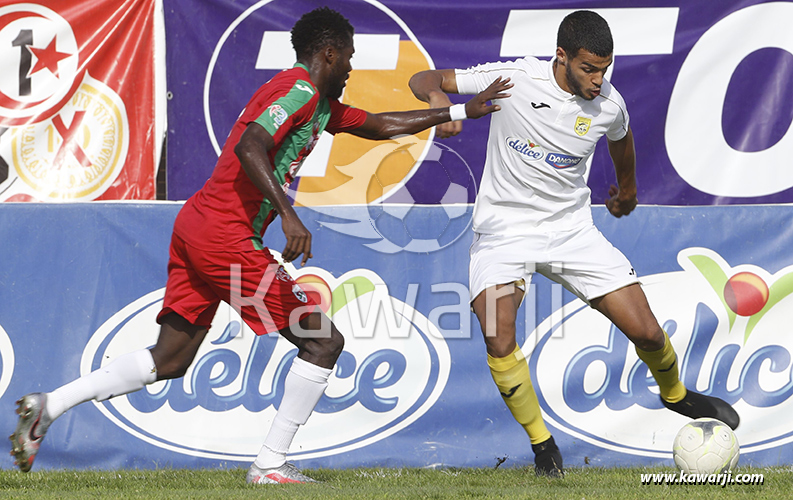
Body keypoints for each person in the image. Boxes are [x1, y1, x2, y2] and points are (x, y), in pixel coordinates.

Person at [9, 7, 510, 483]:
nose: (354, 67)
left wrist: (466, 108)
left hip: (198, 227)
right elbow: (252, 145)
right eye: (352, 57)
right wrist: (289, 215)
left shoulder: (319, 103)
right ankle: (271, 464)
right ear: (330, 53)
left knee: (171, 359)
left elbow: (379, 126)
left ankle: (47, 407)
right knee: (323, 341)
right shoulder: (298, 90)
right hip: (225, 235)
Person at [409, 10, 739, 478]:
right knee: (498, 336)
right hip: (504, 230)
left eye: (605, 68)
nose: (598, 79)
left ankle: (676, 394)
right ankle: (545, 448)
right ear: (560, 57)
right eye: (588, 68)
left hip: (570, 231)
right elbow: (424, 77)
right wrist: (440, 98)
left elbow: (621, 142)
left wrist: (628, 191)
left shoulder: (609, 103)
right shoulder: (516, 79)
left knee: (646, 332)